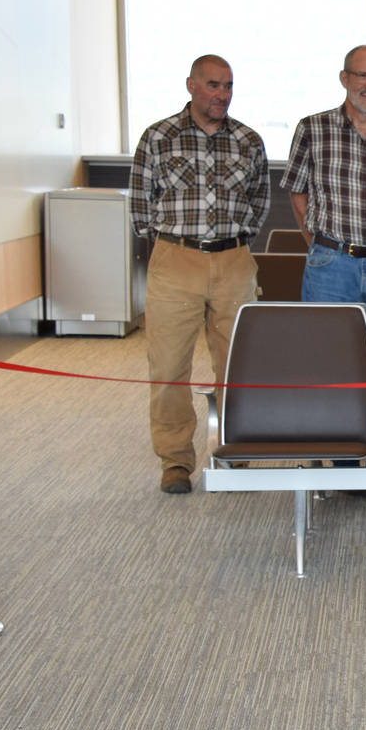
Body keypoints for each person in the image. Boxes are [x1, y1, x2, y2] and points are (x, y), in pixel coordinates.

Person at [128, 54, 269, 494]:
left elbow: (259, 202)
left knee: (239, 363)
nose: (222, 94)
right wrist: (176, 245)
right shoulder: (158, 137)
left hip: (233, 260)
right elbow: (140, 207)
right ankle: (175, 461)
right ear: (191, 85)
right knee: (169, 366)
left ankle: (235, 446)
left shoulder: (248, 140)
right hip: (175, 259)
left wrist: (231, 244)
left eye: (228, 86)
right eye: (213, 85)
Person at [282, 45, 366, 392]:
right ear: (344, 78)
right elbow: (297, 192)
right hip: (332, 267)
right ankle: (334, 427)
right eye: (363, 75)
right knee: (327, 359)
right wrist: (320, 246)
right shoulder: (312, 129)